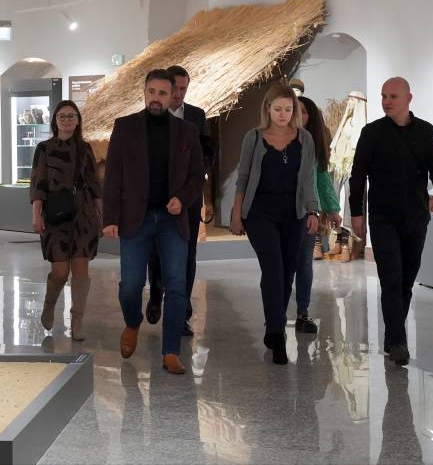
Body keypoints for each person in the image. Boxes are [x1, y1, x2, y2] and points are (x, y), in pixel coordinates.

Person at [102, 69, 205, 375]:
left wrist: (182, 199)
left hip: (173, 219)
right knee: (130, 286)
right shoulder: (125, 127)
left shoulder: (187, 131)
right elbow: (113, 176)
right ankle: (133, 321)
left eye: (162, 93)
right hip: (137, 218)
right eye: (151, 92)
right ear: (144, 92)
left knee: (177, 285)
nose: (156, 98)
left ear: (173, 95)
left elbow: (197, 176)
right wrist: (110, 218)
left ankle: (170, 351)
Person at [349, 77, 433, 366]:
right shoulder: (372, 133)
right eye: (383, 96)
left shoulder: (425, 131)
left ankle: (394, 335)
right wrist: (357, 213)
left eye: (392, 96)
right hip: (383, 217)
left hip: (416, 216)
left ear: (408, 98)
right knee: (391, 279)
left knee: (406, 281)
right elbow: (358, 175)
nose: (386, 101)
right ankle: (397, 342)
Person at [230, 83, 320, 365]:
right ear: (268, 109)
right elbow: (243, 178)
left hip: (294, 213)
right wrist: (236, 213)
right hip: (259, 214)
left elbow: (308, 179)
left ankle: (274, 323)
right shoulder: (254, 138)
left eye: (288, 109)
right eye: (278, 109)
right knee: (273, 269)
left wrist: (313, 211)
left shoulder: (305, 139)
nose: (283, 114)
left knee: (288, 271)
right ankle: (278, 334)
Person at [145, 65, 214, 336]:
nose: (179, 93)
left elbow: (208, 152)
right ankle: (156, 293)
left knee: (187, 253)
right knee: (156, 249)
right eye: (176, 88)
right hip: (157, 196)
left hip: (189, 197)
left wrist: (196, 180)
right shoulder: (151, 115)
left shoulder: (196, 116)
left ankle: (182, 311)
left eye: (184, 88)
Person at [30, 100, 103, 341]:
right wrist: (36, 214)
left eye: (72, 116)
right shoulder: (44, 148)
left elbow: (94, 184)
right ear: (55, 120)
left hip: (83, 214)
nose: (67, 120)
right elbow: (38, 183)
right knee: (60, 272)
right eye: (62, 116)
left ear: (78, 120)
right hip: (56, 215)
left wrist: (100, 215)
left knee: (81, 270)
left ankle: (77, 321)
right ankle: (50, 304)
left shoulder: (85, 148)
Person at [294, 96, 342, 334]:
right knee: (282, 266)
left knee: (304, 264)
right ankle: (274, 316)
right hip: (281, 212)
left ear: (310, 116)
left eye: (303, 111)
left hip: (307, 212)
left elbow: (322, 177)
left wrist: (332, 209)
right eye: (295, 110)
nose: (298, 115)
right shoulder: (275, 140)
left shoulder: (314, 144)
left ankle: (302, 313)